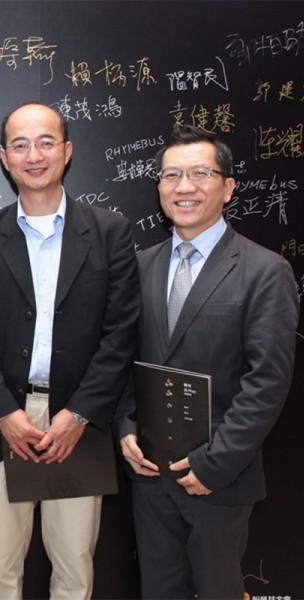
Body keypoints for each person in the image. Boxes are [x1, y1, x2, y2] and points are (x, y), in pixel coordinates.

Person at [0, 101, 140, 599]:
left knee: (75, 566)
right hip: (6, 422)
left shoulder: (110, 232)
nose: (33, 156)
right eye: (20, 145)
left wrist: (80, 413)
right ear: (3, 158)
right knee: (1, 565)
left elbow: (120, 333)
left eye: (45, 143)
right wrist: (3, 413)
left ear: (67, 151)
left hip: (77, 422)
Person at [114, 125, 299, 599]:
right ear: (159, 187)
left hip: (219, 478)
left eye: (200, 173)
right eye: (171, 175)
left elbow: (267, 381)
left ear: (228, 186)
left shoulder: (265, 271)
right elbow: (124, 358)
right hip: (151, 475)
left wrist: (216, 464)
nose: (184, 187)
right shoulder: (140, 266)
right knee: (159, 590)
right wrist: (126, 426)